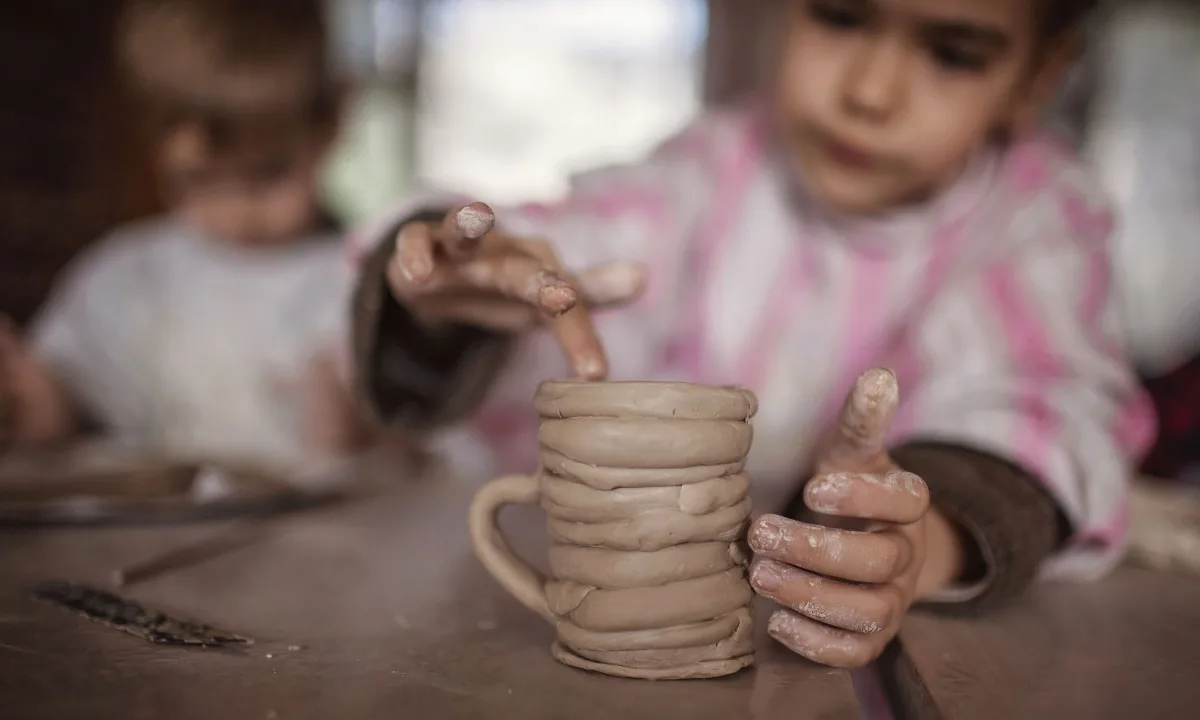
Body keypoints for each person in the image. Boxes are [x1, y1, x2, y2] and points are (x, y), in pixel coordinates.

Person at [345, 0, 1154, 668]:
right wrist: (465, 280)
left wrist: (921, 538)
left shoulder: (1036, 217)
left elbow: (1042, 398)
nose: (871, 92)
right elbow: (587, 250)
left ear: (1037, 77)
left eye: (952, 54)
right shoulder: (711, 171)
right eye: (840, 18)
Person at [0, 0, 369, 471]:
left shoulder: (359, 284)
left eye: (268, 174)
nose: (237, 213)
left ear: (333, 122)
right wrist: (24, 401)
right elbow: (66, 406)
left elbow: (433, 453)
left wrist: (360, 429)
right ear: (151, 147)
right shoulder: (126, 276)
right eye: (199, 180)